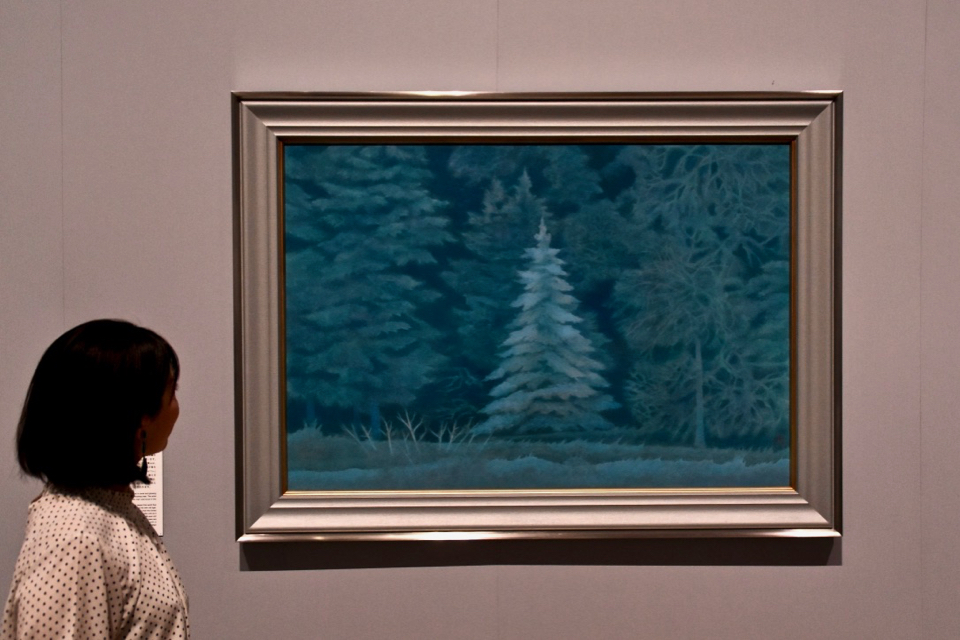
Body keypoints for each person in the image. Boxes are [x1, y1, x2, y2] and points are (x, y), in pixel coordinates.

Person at [1, 319, 189, 639]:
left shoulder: (109, 513)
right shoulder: (75, 537)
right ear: (139, 417)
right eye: (172, 392)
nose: (176, 407)